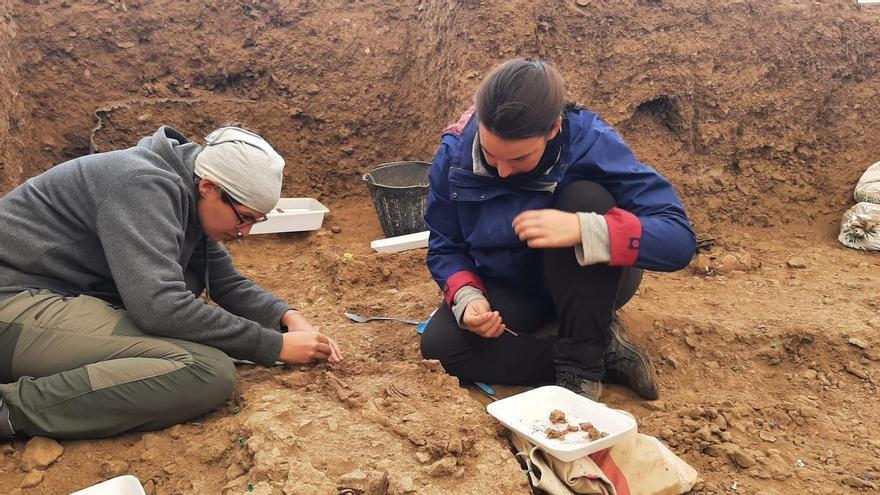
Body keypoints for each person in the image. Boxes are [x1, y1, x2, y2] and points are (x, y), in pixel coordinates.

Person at [0, 126, 342, 439]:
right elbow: (159, 306)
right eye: (245, 218)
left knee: (192, 298)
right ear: (209, 187)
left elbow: (225, 282)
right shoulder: (142, 185)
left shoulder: (187, 187)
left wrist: (286, 316)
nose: (246, 233)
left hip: (50, 297)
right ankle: (12, 410)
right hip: (12, 303)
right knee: (204, 370)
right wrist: (273, 346)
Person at [420, 58, 695, 401]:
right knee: (441, 346)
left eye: (519, 159)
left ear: (553, 130)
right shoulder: (454, 153)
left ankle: (580, 368)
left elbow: (678, 239)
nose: (503, 171)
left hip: (591, 280)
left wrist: (586, 228)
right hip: (515, 286)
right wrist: (468, 298)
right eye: (491, 156)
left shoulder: (590, 140)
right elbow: (446, 245)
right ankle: (597, 354)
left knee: (586, 198)